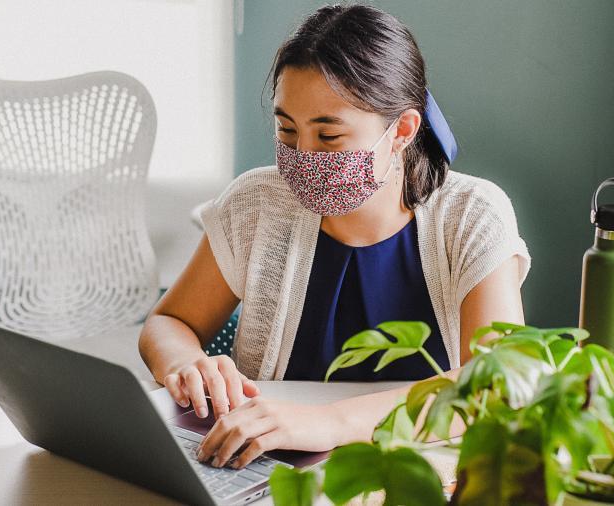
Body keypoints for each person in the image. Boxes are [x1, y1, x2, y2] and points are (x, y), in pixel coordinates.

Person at [138, 3, 530, 470]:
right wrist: (185, 363)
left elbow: (495, 381)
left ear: (402, 130)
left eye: (328, 137)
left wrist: (329, 423)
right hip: (267, 473)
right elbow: (168, 323)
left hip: (426, 471)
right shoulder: (255, 205)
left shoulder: (471, 216)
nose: (302, 155)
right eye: (287, 130)